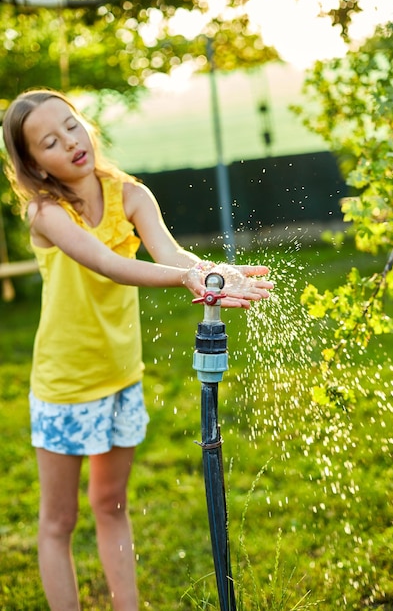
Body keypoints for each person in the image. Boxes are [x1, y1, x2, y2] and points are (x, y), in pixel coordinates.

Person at [2, 88, 273, 611]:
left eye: (72, 125)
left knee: (111, 504)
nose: (71, 143)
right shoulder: (46, 212)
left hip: (121, 376)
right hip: (65, 387)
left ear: (86, 124)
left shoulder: (131, 194)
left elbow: (169, 252)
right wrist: (185, 279)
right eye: (50, 142)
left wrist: (212, 273)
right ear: (35, 164)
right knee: (58, 522)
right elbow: (108, 262)